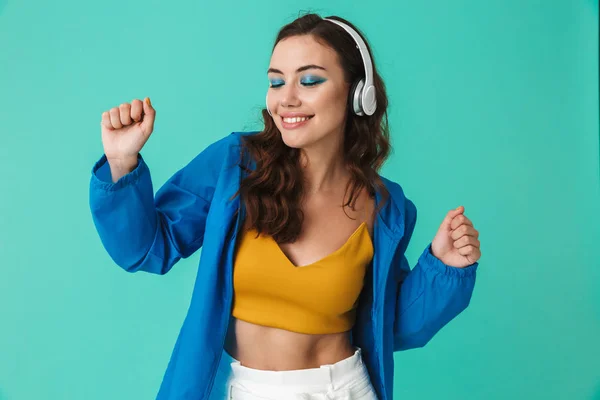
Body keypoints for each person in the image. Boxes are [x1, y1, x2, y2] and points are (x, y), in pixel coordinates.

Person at [89, 13, 481, 400]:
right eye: (276, 82)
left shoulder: (384, 206)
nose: (286, 98)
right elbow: (146, 248)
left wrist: (444, 268)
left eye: (309, 80)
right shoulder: (234, 165)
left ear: (358, 92)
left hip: (341, 390)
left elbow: (390, 326)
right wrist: (121, 164)